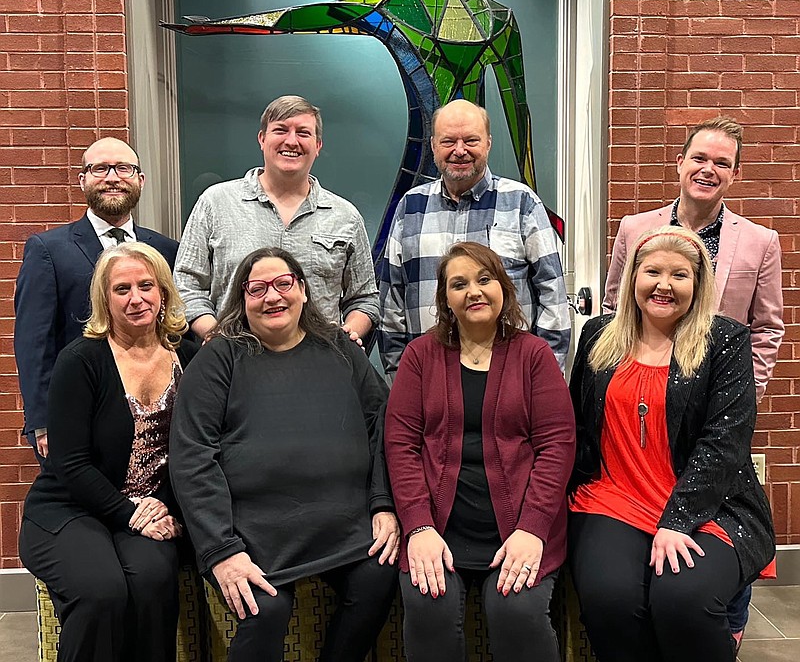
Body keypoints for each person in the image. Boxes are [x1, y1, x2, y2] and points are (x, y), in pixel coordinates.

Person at [163, 0, 560, 266]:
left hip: (432, 170)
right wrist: (222, 27)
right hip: (430, 174)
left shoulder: (429, 7)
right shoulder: (485, 14)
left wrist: (220, 27)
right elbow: (518, 113)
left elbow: (307, 17)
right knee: (401, 278)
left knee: (428, 272)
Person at [602, 116, 783, 644]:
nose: (708, 169)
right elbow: (616, 306)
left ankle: (729, 620)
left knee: (724, 501)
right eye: (699, 158)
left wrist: (741, 394)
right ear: (680, 163)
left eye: (722, 163)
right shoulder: (637, 229)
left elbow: (768, 327)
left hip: (719, 404)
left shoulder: (759, 242)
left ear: (735, 175)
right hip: (647, 398)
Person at [169, 248, 398, 662]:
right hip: (252, 533)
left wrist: (383, 503)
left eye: (283, 284)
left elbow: (383, 426)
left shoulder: (340, 349)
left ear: (304, 291)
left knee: (379, 577)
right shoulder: (219, 358)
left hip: (343, 525)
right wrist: (221, 549)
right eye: (257, 289)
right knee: (265, 609)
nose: (272, 297)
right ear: (242, 299)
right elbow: (192, 456)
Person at [569, 226, 775, 662]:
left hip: (709, 504)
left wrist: (678, 519)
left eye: (679, 275)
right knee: (611, 601)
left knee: (683, 601)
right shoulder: (597, 336)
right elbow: (578, 427)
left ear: (698, 286)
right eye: (653, 271)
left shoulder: (725, 341)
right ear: (633, 278)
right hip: (612, 497)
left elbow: (725, 442)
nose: (664, 284)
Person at [384, 242, 575, 662]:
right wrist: (417, 526)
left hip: (519, 525)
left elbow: (556, 446)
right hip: (438, 524)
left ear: (503, 288)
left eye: (484, 279)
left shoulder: (534, 355)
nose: (474, 291)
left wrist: (533, 528)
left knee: (515, 611)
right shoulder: (420, 356)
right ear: (445, 299)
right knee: (428, 608)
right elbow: (400, 446)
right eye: (459, 283)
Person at [18, 242, 196, 662]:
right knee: (102, 591)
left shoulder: (188, 355)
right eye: (121, 289)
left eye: (146, 285)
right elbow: (70, 463)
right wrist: (130, 514)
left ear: (164, 292)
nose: (136, 298)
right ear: (104, 299)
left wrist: (166, 506)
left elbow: (197, 448)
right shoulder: (81, 360)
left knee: (154, 581)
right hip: (71, 507)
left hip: (152, 508)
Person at [14, 137, 179, 461]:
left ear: (140, 180)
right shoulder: (48, 250)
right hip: (76, 415)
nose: (113, 177)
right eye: (100, 168)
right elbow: (33, 341)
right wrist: (41, 421)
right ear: (83, 180)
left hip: (155, 416)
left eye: (123, 168)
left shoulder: (166, 250)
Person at [379, 99, 570, 377]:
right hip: (429, 381)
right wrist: (401, 379)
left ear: (488, 143)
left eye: (471, 140)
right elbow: (391, 303)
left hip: (511, 381)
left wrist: (543, 380)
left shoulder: (521, 203)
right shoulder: (410, 207)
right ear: (433, 145)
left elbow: (553, 297)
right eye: (448, 141)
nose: (460, 151)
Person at [174, 95, 379, 344]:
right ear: (262, 139)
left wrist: (348, 334)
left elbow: (364, 298)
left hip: (320, 362)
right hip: (234, 361)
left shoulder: (345, 216)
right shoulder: (215, 203)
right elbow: (186, 285)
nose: (291, 141)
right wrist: (215, 335)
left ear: (318, 145)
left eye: (303, 133)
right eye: (280, 130)